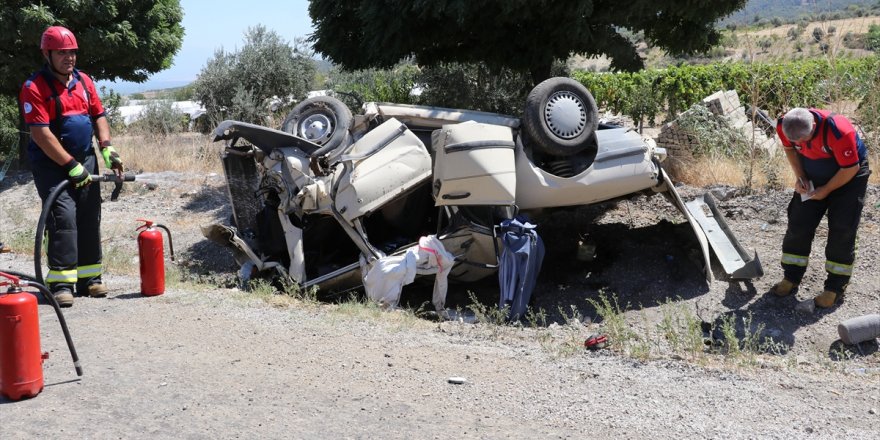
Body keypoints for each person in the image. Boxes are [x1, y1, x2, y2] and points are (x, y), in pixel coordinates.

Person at [19, 26, 124, 307]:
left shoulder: (84, 82)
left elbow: (99, 116)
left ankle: (90, 279)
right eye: (62, 52)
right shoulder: (34, 87)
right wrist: (70, 165)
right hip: (52, 164)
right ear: (47, 54)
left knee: (89, 215)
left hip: (85, 158)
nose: (69, 57)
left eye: (72, 52)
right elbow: (41, 135)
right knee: (63, 218)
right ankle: (61, 284)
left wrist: (107, 147)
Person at [771, 107, 870, 308]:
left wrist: (826, 190)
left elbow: (851, 167)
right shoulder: (785, 124)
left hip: (849, 176)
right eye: (796, 141)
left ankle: (835, 287)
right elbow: (790, 149)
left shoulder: (839, 131)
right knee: (798, 224)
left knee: (842, 229)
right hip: (813, 174)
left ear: (814, 126)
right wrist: (801, 177)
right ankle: (791, 276)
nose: (800, 144)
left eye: (804, 140)